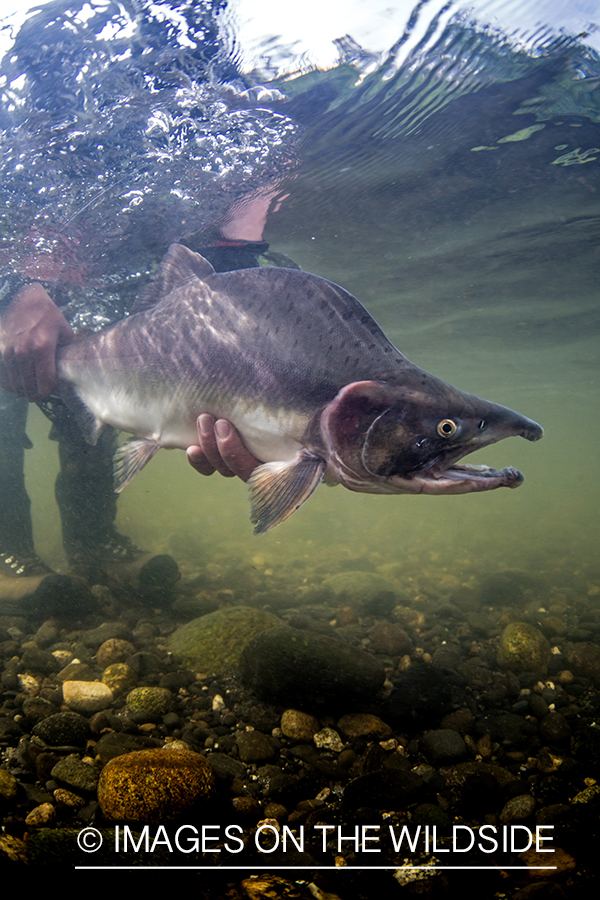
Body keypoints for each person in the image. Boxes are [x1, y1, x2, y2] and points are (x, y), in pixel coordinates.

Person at [0, 0, 298, 593]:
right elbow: (22, 155)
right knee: (7, 384)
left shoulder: (230, 84)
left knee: (104, 389)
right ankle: (8, 550)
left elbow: (233, 251)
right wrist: (26, 281)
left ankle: (93, 541)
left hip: (130, 259)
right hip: (19, 238)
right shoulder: (57, 35)